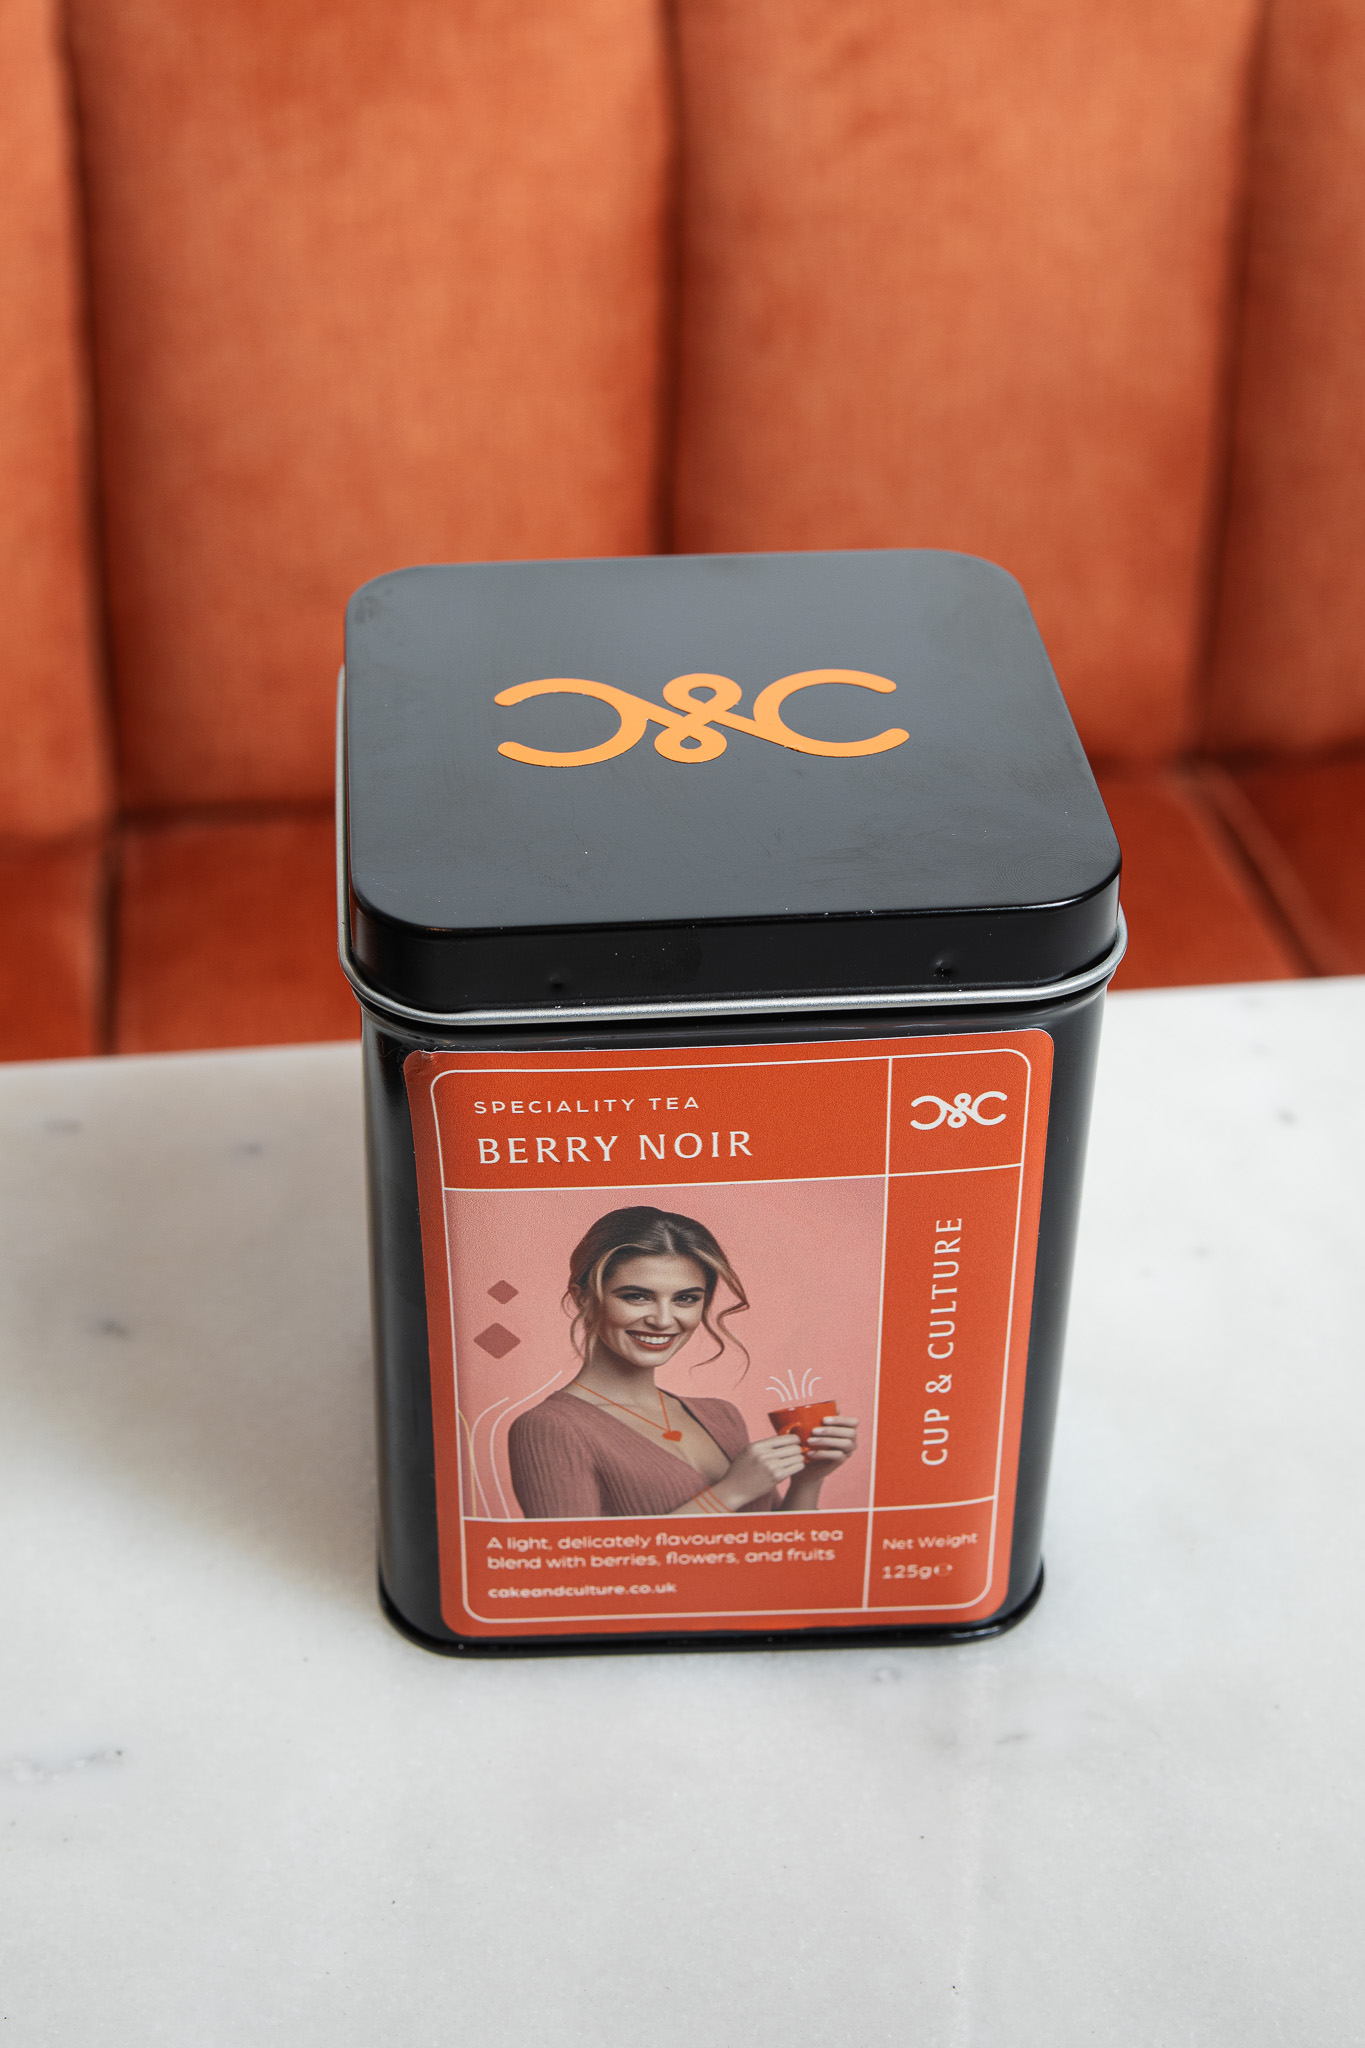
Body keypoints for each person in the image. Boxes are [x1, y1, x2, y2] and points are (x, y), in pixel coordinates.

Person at [507, 1205, 858, 1519]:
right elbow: (572, 1564)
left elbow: (778, 1553)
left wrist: (808, 1480)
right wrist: (730, 1493)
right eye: (636, 1296)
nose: (663, 1320)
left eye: (686, 1299)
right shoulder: (550, 1427)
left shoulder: (722, 1416)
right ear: (582, 1298)